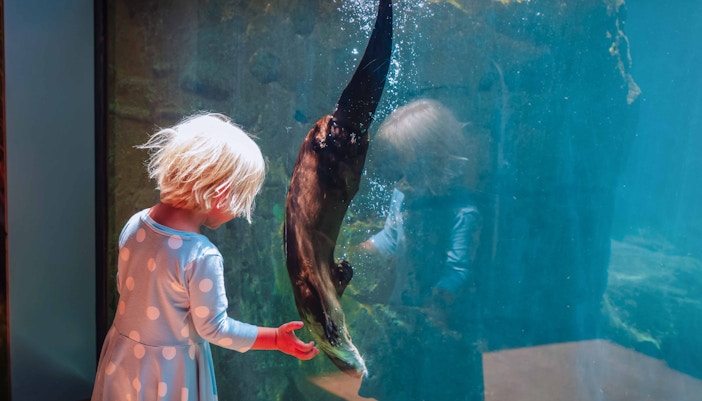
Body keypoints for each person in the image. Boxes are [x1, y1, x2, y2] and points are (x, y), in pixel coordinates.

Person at [91, 112, 319, 401]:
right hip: (170, 374)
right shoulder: (200, 256)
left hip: (124, 362)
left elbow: (126, 287)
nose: (238, 212)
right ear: (221, 195)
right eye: (241, 201)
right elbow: (214, 328)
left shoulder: (136, 224)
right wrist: (274, 339)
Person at [356, 99, 484, 401]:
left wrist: (439, 299)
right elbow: (391, 237)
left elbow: (459, 268)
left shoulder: (461, 211)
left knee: (435, 388)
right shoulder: (403, 196)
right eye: (399, 165)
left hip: (440, 323)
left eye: (410, 166)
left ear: (436, 158)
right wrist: (361, 251)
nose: (402, 176)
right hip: (401, 314)